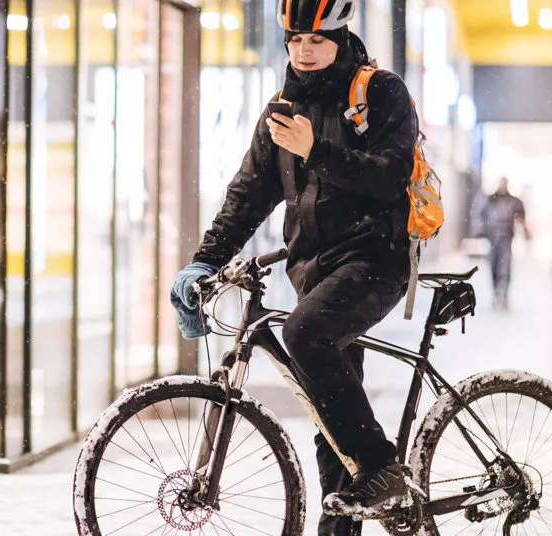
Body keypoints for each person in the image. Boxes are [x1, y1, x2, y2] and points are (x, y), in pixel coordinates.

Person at [169, 1, 417, 534]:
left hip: (376, 261)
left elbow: (390, 178)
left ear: (340, 37)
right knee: (330, 416)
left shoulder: (380, 93)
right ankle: (347, 515)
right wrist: (204, 262)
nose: (304, 51)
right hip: (314, 271)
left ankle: (381, 467)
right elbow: (248, 195)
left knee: (305, 334)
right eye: (295, 40)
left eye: (316, 41)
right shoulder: (281, 108)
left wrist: (316, 150)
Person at [480, 177, 530, 309]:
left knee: (505, 266)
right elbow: (481, 215)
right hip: (493, 238)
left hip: (506, 238)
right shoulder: (491, 200)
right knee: (494, 265)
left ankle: (505, 292)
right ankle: (495, 292)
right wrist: (483, 230)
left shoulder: (513, 201)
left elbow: (521, 215)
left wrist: (523, 230)